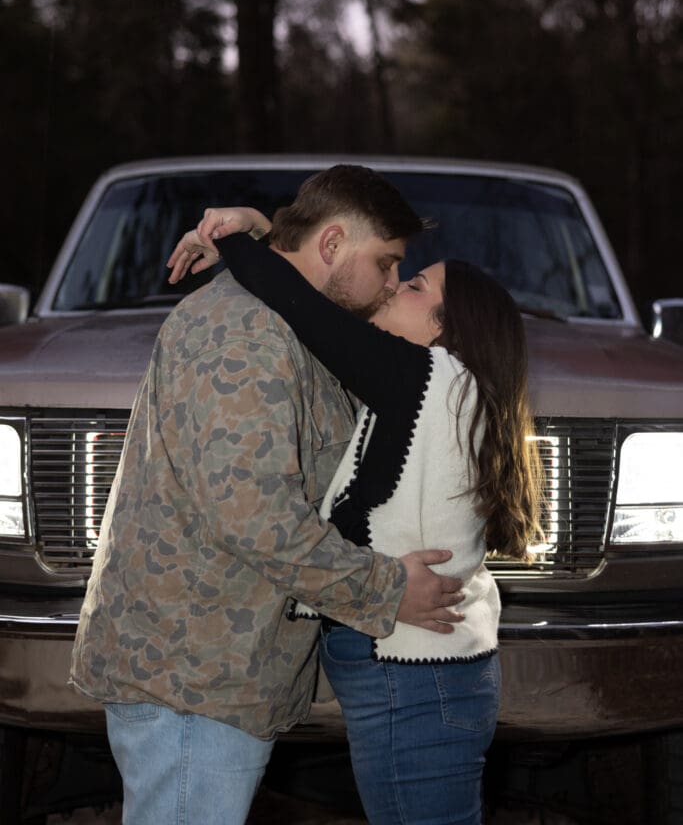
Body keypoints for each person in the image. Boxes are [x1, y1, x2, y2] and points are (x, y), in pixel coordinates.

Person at [68, 165, 467, 825]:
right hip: (192, 676)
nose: (392, 282)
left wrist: (256, 227)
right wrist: (388, 590)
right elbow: (254, 516)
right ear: (333, 244)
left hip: (214, 668)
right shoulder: (247, 332)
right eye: (388, 262)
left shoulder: (282, 320)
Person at [170, 203, 545, 825]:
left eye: (416, 284)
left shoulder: (427, 376)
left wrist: (238, 237)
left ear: (444, 329)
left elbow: (305, 310)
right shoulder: (455, 395)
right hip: (426, 679)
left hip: (418, 683)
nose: (397, 285)